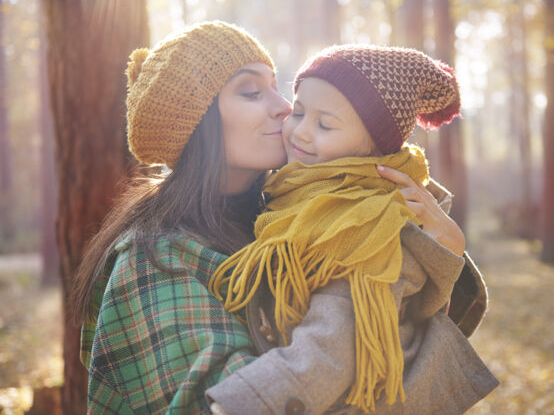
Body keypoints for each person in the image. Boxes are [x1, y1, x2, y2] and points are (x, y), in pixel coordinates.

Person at [74, 21, 496, 415]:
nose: (282, 107)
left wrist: (438, 260)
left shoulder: (295, 217)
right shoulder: (153, 259)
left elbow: (380, 342)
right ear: (197, 123)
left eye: (277, 88)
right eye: (251, 92)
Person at [209, 44, 494, 413]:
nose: (301, 133)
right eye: (298, 113)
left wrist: (242, 406)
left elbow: (333, 345)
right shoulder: (303, 194)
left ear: (372, 148)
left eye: (325, 124)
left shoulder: (367, 221)